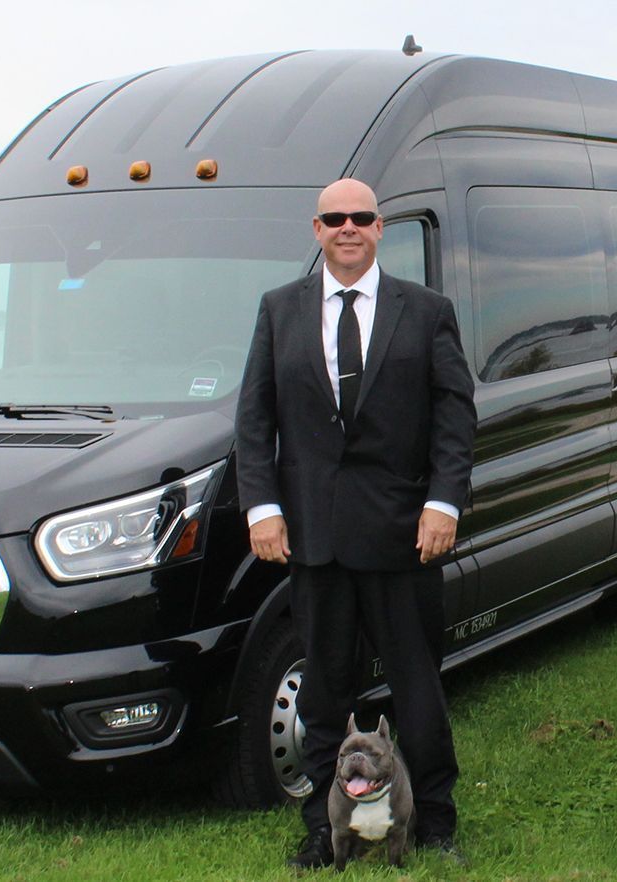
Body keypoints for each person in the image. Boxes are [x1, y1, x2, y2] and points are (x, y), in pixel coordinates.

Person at [233, 178, 475, 868]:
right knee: (324, 691)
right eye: (334, 218)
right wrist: (264, 508)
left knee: (418, 686)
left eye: (360, 218)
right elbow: (255, 422)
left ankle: (435, 820)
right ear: (316, 229)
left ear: (379, 228)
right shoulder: (279, 311)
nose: (347, 227)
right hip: (314, 538)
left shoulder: (426, 312)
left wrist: (444, 502)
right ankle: (322, 824)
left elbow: (456, 416)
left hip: (403, 536)